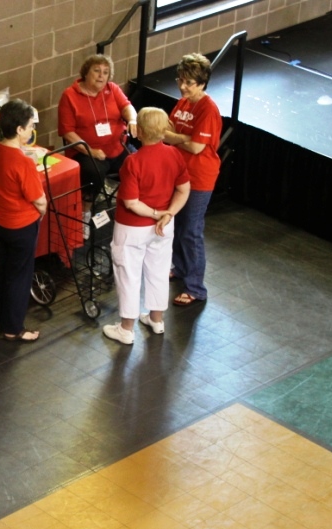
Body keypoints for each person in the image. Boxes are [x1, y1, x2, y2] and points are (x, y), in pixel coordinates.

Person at [102, 107, 190, 346]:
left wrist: (156, 213)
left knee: (128, 274)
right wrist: (168, 214)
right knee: (159, 270)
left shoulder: (133, 161)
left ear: (138, 132)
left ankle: (126, 329)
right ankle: (156, 320)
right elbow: (184, 189)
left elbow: (131, 203)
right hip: (163, 227)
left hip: (132, 229)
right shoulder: (174, 155)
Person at [0, 99, 48, 343]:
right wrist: (42, 210)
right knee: (19, 275)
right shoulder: (24, 163)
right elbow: (38, 199)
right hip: (20, 226)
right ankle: (13, 327)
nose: (31, 131)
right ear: (18, 129)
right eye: (29, 126)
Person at [164, 53, 222, 307]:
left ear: (202, 83)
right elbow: (168, 131)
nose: (182, 86)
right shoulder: (183, 103)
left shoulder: (208, 109)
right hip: (178, 174)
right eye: (181, 80)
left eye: (189, 82)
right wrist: (178, 138)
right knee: (176, 225)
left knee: (191, 231)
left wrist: (175, 137)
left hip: (199, 178)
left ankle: (196, 288)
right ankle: (181, 267)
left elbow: (197, 146)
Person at [57, 54, 138, 207]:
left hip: (118, 146)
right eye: (97, 71)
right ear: (86, 73)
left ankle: (131, 204)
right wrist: (91, 151)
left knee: (140, 165)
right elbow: (67, 132)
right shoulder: (70, 95)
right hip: (86, 152)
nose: (101, 76)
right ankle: (86, 212)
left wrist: (133, 119)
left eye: (106, 72)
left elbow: (127, 107)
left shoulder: (112, 89)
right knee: (93, 173)